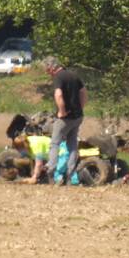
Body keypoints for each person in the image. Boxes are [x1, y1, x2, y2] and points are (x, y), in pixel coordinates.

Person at [43, 56, 87, 186]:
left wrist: (61, 111)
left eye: (47, 70)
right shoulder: (74, 75)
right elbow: (84, 92)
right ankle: (70, 174)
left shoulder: (59, 77)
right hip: (78, 116)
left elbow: (58, 95)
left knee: (55, 143)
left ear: (52, 68)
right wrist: (80, 107)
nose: (48, 73)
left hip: (65, 118)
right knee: (72, 144)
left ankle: (51, 171)